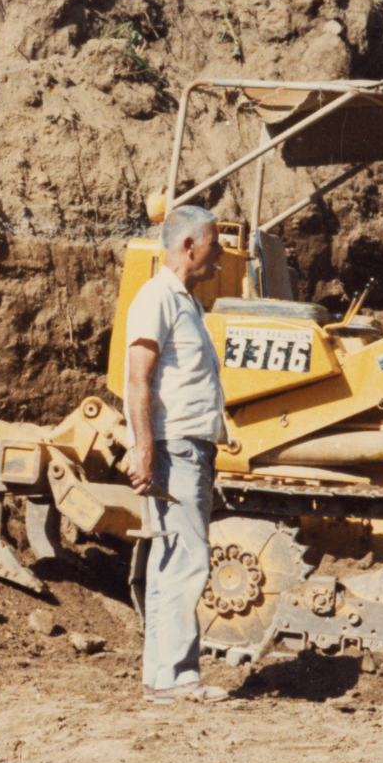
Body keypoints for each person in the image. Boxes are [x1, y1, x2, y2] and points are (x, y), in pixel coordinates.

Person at [124, 205, 230, 705]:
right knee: (188, 560)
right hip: (175, 449)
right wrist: (144, 448)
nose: (222, 253)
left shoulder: (187, 303)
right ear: (189, 245)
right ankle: (179, 677)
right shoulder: (157, 297)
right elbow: (137, 379)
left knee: (171, 562)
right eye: (215, 242)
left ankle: (160, 678)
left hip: (189, 445)